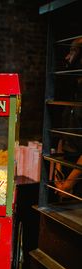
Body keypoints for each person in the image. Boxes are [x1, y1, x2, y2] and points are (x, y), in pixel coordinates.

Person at [54, 37, 82, 197]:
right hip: (66, 170)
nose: (67, 57)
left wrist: (69, 183)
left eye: (73, 51)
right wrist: (59, 174)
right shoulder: (71, 91)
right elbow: (62, 136)